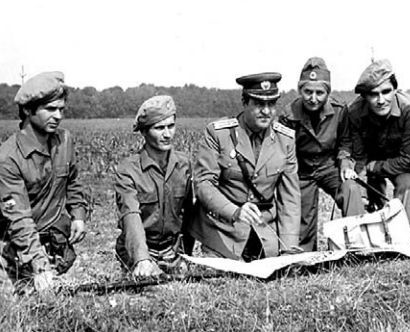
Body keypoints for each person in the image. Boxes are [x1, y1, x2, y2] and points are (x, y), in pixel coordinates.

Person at [189, 72, 301, 261]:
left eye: (271, 104)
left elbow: (290, 198)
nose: (266, 111)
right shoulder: (219, 134)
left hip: (265, 232)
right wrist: (235, 212)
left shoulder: (285, 140)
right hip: (223, 231)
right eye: (259, 104)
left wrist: (288, 248)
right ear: (245, 102)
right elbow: (203, 185)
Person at [0, 71, 87, 295]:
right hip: (15, 247)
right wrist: (40, 266)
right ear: (28, 110)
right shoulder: (8, 158)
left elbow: (73, 180)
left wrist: (78, 214)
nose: (58, 116)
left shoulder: (64, 140)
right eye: (50, 109)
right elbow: (18, 219)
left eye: (61, 109)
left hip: (53, 243)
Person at [278, 57, 364, 251]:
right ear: (300, 91)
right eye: (308, 92)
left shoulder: (340, 110)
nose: (313, 98)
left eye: (319, 92)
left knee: (351, 188)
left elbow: (345, 142)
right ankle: (305, 256)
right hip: (302, 170)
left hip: (329, 166)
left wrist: (344, 163)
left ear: (327, 93)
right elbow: (284, 151)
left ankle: (357, 245)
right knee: (301, 215)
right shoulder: (288, 115)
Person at [114, 95, 194, 277]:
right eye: (159, 128)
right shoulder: (128, 169)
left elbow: (191, 214)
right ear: (144, 131)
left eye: (171, 126)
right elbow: (130, 214)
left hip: (173, 251)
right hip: (139, 251)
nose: (167, 134)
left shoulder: (184, 164)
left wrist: (185, 255)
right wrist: (142, 259)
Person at [342, 59, 410, 224]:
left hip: (401, 164)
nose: (381, 100)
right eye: (373, 94)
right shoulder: (355, 112)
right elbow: (359, 156)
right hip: (368, 163)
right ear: (364, 96)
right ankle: (364, 235)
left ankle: (403, 236)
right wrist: (362, 193)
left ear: (395, 89)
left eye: (386, 92)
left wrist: (375, 166)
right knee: (357, 189)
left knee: (408, 182)